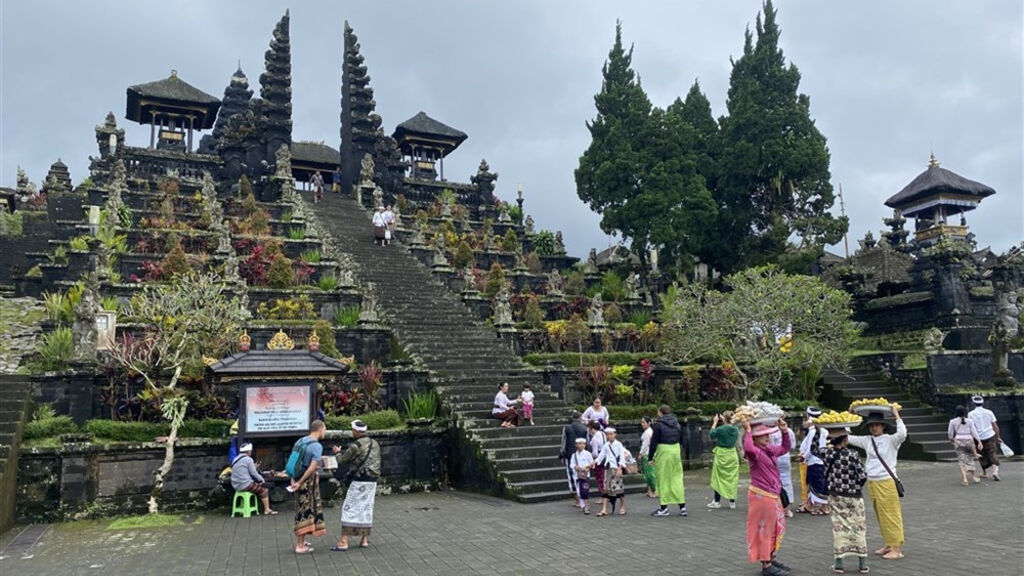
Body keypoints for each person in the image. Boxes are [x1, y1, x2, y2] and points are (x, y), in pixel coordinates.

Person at [847, 408, 906, 560]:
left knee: (890, 514)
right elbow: (847, 438)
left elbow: (903, 434)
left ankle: (896, 548)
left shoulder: (891, 439)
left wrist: (896, 415)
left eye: (877, 425)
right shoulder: (867, 440)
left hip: (886, 481)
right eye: (872, 425)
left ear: (883, 426)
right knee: (880, 514)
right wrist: (849, 415)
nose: (874, 427)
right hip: (872, 482)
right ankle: (888, 543)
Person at [742, 419, 792, 576]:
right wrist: (748, 431)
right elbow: (748, 448)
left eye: (767, 435)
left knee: (776, 528)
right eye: (763, 435)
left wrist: (784, 431)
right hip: (762, 495)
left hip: (772, 495)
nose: (767, 437)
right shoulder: (755, 453)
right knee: (765, 529)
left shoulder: (768, 449)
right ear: (755, 438)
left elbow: (785, 448)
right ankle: (766, 564)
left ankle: (771, 556)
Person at [823, 429, 870, 575]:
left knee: (839, 527)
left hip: (835, 495)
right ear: (845, 440)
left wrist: (819, 430)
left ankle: (839, 565)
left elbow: (813, 450)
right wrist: (855, 486)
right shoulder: (853, 454)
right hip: (854, 495)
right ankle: (862, 564)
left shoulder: (826, 453)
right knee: (858, 526)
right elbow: (862, 475)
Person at [330, 419, 382, 551]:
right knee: (366, 508)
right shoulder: (375, 443)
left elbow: (342, 460)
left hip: (359, 480)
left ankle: (344, 541)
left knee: (350, 507)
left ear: (356, 431)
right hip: (372, 480)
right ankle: (364, 539)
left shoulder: (356, 445)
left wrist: (337, 452)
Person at [289, 420, 328, 554]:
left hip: (297, 477)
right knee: (305, 510)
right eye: (325, 430)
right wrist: (300, 482)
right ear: (320, 429)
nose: (325, 432)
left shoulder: (301, 441)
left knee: (301, 507)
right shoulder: (316, 446)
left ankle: (302, 540)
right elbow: (312, 467)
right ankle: (300, 545)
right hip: (306, 481)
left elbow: (292, 462)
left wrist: (294, 479)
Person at [649, 405, 687, 517]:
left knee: (663, 479)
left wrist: (651, 457)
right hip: (675, 451)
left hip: (664, 451)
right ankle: (682, 507)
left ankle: (663, 508)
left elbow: (653, 443)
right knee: (677, 478)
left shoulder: (658, 425)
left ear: (661, 413)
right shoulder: (677, 424)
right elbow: (682, 440)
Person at [230, 442, 277, 515]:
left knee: (258, 486)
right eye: (250, 451)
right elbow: (254, 473)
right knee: (264, 490)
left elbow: (244, 468)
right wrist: (262, 479)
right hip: (245, 484)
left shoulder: (235, 459)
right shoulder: (248, 459)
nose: (251, 452)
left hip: (236, 485)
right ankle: (267, 509)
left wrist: (255, 466)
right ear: (248, 452)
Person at [799, 412, 829, 515]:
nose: (804, 422)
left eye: (806, 419)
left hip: (815, 460)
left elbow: (811, 448)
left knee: (816, 484)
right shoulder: (823, 431)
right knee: (817, 483)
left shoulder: (814, 432)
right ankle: (814, 505)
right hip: (822, 460)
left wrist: (803, 457)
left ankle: (820, 507)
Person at [708, 411, 739, 510]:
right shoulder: (735, 429)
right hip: (732, 454)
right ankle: (732, 501)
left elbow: (712, 434)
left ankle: (717, 501)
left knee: (718, 477)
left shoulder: (721, 429)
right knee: (732, 478)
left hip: (722, 454)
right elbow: (730, 426)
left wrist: (715, 422)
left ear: (724, 419)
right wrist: (725, 420)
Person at [948, 405, 984, 486]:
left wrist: (951, 440)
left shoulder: (952, 421)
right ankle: (974, 477)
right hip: (969, 440)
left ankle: (965, 479)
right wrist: (979, 441)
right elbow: (974, 432)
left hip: (958, 441)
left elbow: (950, 433)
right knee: (970, 459)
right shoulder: (970, 421)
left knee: (962, 460)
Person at [968, 395, 1001, 481]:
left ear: (973, 403)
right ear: (983, 403)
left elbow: (971, 427)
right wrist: (998, 436)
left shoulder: (971, 414)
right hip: (989, 435)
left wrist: (971, 438)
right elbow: (995, 426)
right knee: (992, 452)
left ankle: (984, 472)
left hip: (978, 437)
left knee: (981, 454)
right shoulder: (989, 412)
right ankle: (995, 471)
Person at [596, 427, 627, 516]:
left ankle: (622, 506)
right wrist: (594, 462)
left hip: (616, 468)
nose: (609, 436)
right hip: (608, 468)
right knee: (606, 489)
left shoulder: (619, 444)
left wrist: (620, 468)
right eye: (607, 434)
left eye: (611, 434)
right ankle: (604, 509)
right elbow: (601, 455)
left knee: (619, 489)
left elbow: (621, 456)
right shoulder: (606, 445)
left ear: (615, 434)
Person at [771, 421, 798, 518]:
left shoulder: (770, 432)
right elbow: (793, 445)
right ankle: (788, 508)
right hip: (785, 457)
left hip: (775, 457)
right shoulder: (789, 431)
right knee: (787, 482)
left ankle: (777, 506)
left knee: (775, 482)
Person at [559, 412, 589, 499]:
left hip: (569, 453)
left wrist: (562, 454)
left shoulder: (566, 428)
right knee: (583, 474)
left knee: (571, 474)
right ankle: (583, 493)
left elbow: (563, 442)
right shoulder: (585, 428)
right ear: (580, 418)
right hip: (582, 454)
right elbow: (587, 442)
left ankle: (576, 496)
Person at [570, 437, 594, 514]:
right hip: (577, 475)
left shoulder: (588, 454)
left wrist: (588, 467)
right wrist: (575, 467)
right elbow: (571, 464)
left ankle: (586, 506)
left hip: (585, 475)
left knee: (585, 491)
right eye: (579, 444)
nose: (581, 445)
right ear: (576, 445)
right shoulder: (574, 455)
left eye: (583, 444)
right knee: (578, 491)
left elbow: (592, 464)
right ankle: (582, 505)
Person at [588, 421, 606, 505]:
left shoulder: (595, 438)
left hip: (598, 459)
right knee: (603, 477)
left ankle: (603, 497)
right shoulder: (602, 434)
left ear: (592, 428)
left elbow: (595, 453)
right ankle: (606, 496)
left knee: (599, 478)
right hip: (605, 458)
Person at [639, 416, 657, 499]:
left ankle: (653, 490)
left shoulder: (648, 432)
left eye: (643, 422)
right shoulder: (648, 432)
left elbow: (645, 445)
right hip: (648, 454)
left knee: (650, 474)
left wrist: (640, 454)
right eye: (642, 422)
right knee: (648, 473)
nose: (642, 424)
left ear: (648, 423)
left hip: (647, 454)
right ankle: (649, 490)